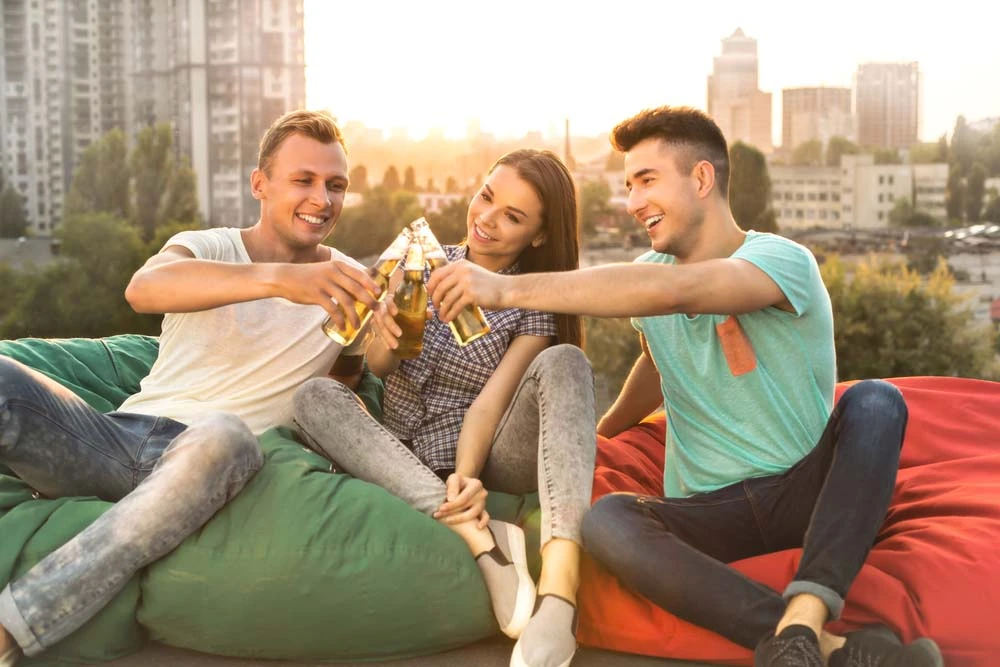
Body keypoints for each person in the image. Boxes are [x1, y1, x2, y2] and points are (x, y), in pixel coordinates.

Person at [421, 107, 944, 667]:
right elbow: (655, 361)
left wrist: (502, 291)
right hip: (705, 511)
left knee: (877, 401)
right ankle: (823, 646)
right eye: (628, 185)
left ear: (701, 178)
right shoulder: (649, 272)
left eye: (647, 181)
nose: (632, 202)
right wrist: (606, 431)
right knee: (607, 521)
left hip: (802, 493)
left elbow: (681, 292)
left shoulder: (780, 260)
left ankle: (808, 611)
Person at [0, 109, 382, 666]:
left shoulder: (349, 282)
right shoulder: (208, 246)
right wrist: (284, 279)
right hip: (116, 442)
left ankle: (11, 629)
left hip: (220, 460)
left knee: (224, 433)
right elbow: (145, 289)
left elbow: (343, 386)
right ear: (260, 184)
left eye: (336, 185)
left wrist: (378, 347)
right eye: (303, 180)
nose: (322, 199)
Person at [293, 149, 596, 667]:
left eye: (513, 217)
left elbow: (488, 405)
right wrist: (384, 335)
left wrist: (467, 475)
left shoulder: (529, 300)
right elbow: (382, 369)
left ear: (539, 236)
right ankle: (479, 537)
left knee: (566, 360)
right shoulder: (423, 258)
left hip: (487, 449)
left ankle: (557, 598)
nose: (487, 220)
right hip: (399, 444)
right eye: (486, 198)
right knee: (311, 398)